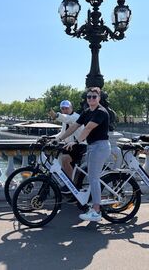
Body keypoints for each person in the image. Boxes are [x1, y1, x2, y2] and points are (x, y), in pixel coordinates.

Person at [58, 87, 111, 222]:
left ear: (99, 98)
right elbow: (74, 127)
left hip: (100, 147)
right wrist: (58, 139)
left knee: (93, 178)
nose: (91, 99)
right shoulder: (87, 112)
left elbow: (87, 129)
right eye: (89, 97)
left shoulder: (101, 112)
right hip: (92, 147)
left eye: (94, 96)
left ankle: (96, 211)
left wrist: (76, 141)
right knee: (90, 175)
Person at [49, 100, 86, 191]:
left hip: (80, 144)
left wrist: (56, 115)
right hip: (70, 145)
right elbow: (63, 133)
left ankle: (70, 184)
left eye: (66, 108)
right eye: (62, 108)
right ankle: (68, 179)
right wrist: (50, 138)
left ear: (71, 108)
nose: (65, 110)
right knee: (61, 158)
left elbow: (66, 118)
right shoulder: (65, 120)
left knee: (65, 159)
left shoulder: (75, 117)